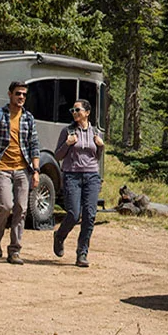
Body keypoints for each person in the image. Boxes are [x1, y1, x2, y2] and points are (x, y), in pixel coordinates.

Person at [0, 81, 40, 265]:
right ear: (10, 94)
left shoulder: (28, 118)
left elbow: (34, 146)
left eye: (24, 95)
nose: (21, 97)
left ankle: (14, 250)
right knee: (5, 205)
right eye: (18, 93)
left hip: (22, 169)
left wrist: (36, 171)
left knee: (21, 208)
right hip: (1, 166)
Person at [53, 99, 104, 267]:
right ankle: (60, 236)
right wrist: (67, 144)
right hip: (72, 176)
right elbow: (58, 156)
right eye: (73, 110)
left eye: (77, 110)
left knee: (90, 215)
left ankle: (82, 253)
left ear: (87, 113)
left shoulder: (95, 132)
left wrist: (101, 147)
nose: (74, 113)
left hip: (91, 176)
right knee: (74, 214)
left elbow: (96, 156)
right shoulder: (67, 131)